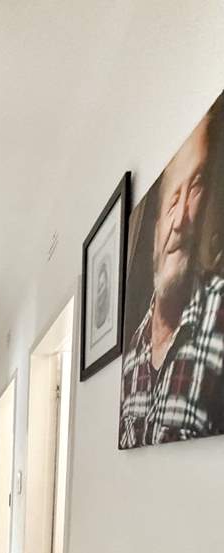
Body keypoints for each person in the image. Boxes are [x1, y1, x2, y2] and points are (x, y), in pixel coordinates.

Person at [120, 107, 224, 448]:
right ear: (155, 229)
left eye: (195, 189)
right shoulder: (132, 352)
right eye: (172, 200)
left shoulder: (218, 315)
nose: (181, 220)